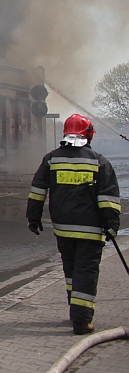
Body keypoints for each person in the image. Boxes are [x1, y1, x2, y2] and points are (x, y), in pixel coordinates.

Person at [27, 113, 121, 334]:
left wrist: (34, 218)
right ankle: (82, 321)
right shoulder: (99, 161)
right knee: (85, 273)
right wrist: (112, 225)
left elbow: (37, 191)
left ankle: (75, 311)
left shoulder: (51, 160)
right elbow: (107, 198)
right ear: (88, 135)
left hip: (63, 229)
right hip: (90, 230)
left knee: (71, 271)